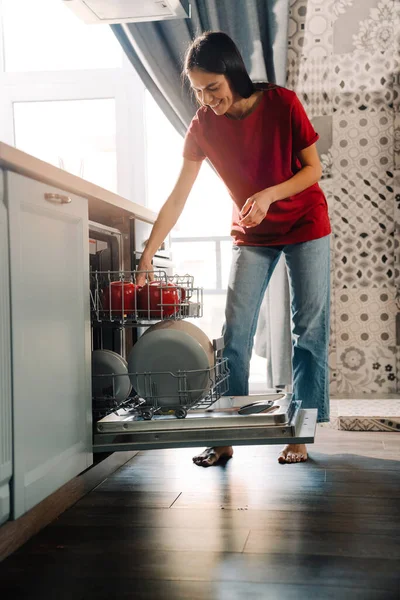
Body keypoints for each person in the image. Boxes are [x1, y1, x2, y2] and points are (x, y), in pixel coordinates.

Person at [137, 31, 331, 466]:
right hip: (253, 232)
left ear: (232, 73)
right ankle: (225, 436)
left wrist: (267, 196)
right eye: (198, 91)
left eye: (213, 88)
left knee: (309, 333)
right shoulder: (203, 126)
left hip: (304, 222)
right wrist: (148, 254)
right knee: (236, 334)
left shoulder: (282, 103)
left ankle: (300, 433)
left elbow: (314, 169)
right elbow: (177, 197)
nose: (206, 99)